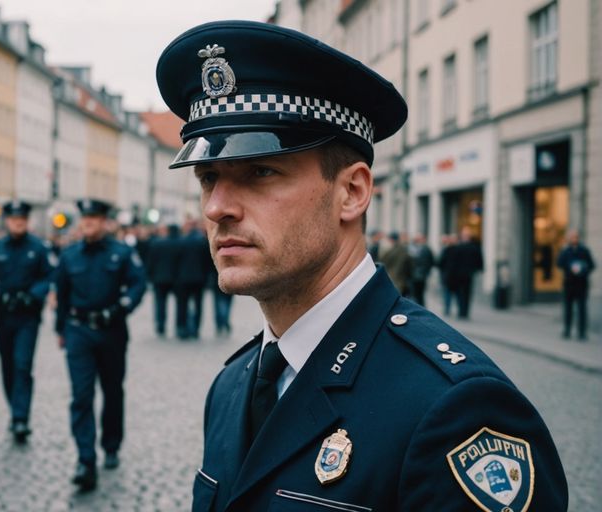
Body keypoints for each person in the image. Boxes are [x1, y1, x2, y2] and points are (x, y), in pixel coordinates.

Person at [155, 20, 567, 512]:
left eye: (260, 172)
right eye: (208, 177)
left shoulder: (452, 409)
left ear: (351, 192)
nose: (217, 207)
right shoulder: (232, 386)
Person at [55, 198, 146, 492]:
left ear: (105, 222)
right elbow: (62, 294)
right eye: (85, 219)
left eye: (94, 219)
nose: (88, 224)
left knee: (111, 391)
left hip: (111, 331)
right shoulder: (69, 256)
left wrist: (123, 306)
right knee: (81, 396)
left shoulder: (121, 253)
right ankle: (85, 460)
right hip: (78, 331)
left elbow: (138, 284)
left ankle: (111, 444)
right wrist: (61, 330)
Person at [0, 200, 55, 443]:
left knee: (22, 364)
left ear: (27, 221)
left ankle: (21, 418)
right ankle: (14, 408)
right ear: (7, 221)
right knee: (7, 365)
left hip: (27, 315)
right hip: (2, 315)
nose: (18, 222)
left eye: (22, 219)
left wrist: (35, 295)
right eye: (14, 219)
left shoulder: (38, 248)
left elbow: (50, 276)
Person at [175, 221, 212, 339]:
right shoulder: (203, 242)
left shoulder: (181, 242)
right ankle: (195, 328)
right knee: (198, 305)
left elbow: (176, 261)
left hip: (183, 278)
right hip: (199, 279)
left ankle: (182, 327)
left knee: (182, 304)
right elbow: (208, 262)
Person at [557, 230, 594, 340]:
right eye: (572, 237)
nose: (574, 239)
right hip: (569, 284)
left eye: (576, 237)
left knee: (582, 309)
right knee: (568, 308)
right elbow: (559, 263)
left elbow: (591, 265)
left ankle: (581, 332)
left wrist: (583, 269)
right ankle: (567, 330)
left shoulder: (584, 250)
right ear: (569, 239)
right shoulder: (565, 251)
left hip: (581, 284)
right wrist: (569, 268)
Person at [145, 224, 181, 337]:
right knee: (179, 303)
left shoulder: (157, 243)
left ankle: (160, 325)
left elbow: (151, 261)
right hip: (176, 278)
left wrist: (149, 275)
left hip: (159, 278)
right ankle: (179, 325)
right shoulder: (180, 244)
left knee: (160, 303)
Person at [448, 226, 483, 320]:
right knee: (463, 293)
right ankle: (463, 311)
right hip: (462, 274)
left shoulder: (470, 247)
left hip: (466, 274)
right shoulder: (466, 247)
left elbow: (479, 259)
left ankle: (463, 311)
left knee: (464, 293)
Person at [408, 233, 435, 306]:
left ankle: (420, 307)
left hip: (420, 275)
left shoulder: (425, 249)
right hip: (417, 275)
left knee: (418, 294)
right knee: (417, 294)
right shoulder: (416, 249)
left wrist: (426, 272)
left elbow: (431, 262)